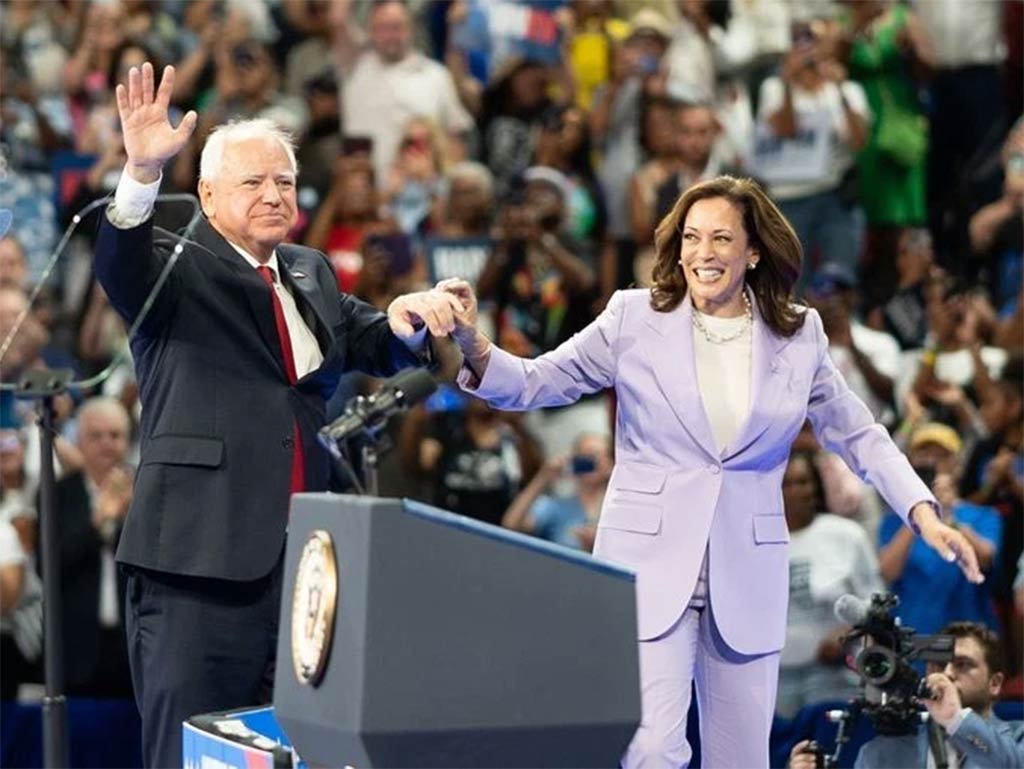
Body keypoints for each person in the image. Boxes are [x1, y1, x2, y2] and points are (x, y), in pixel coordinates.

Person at [438, 175, 983, 768]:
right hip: (647, 563)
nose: (704, 252)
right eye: (692, 237)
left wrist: (923, 513)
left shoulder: (799, 333)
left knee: (741, 759)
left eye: (721, 238)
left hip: (746, 568)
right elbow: (536, 382)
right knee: (652, 750)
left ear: (753, 252)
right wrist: (474, 343)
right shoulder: (633, 317)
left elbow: (858, 434)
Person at [97, 63, 462, 769]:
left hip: (300, 573)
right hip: (197, 568)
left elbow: (368, 336)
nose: (274, 194)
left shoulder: (308, 269)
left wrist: (412, 316)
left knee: (294, 753)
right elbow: (121, 264)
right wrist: (141, 173)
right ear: (207, 194)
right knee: (191, 754)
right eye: (253, 182)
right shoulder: (176, 264)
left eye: (286, 182)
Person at [789, 622, 1024, 769]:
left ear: (995, 683)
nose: (948, 674)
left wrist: (956, 720)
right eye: (939, 665)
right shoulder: (881, 752)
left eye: (963, 664)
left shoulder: (1018, 738)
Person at [776, 449, 883, 719]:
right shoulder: (755, 542)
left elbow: (877, 600)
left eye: (802, 482)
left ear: (816, 486)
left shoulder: (846, 535)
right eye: (786, 483)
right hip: (775, 675)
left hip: (833, 671)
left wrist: (848, 631)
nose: (795, 491)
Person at [51, 396, 134, 697]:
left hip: (134, 646)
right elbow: (50, 565)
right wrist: (98, 523)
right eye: (96, 436)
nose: (106, 444)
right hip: (77, 649)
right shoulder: (58, 494)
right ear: (79, 442)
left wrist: (129, 518)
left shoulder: (145, 491)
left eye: (115, 435)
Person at [502, 432, 613, 551]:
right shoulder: (555, 506)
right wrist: (543, 477)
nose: (594, 461)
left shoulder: (618, 507)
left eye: (599, 455)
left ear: (611, 463)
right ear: (574, 461)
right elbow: (511, 524)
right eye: (587, 455)